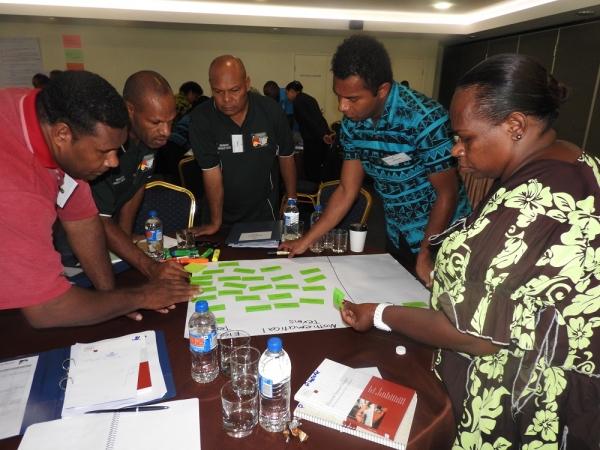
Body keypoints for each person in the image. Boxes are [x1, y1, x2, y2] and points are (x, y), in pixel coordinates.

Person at [341, 54, 600, 448]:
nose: (455, 150)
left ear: (515, 125)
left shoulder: (528, 206)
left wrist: (378, 313)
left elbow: (474, 335)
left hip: (525, 403)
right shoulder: (577, 163)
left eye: (466, 138)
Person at [0, 70, 199, 328]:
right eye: (104, 151)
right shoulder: (16, 187)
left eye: (116, 151)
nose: (113, 162)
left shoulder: (49, 115)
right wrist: (140, 296)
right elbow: (47, 309)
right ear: (62, 135)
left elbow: (83, 219)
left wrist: (112, 300)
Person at [280, 35, 470, 286]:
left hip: (442, 238)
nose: (342, 107)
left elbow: (447, 195)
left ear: (382, 90)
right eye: (338, 95)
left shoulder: (424, 119)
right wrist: (306, 239)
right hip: (396, 230)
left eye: (353, 99)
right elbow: (348, 190)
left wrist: (426, 253)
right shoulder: (352, 126)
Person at [90, 70, 188, 283]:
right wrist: (149, 266)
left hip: (112, 245)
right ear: (129, 109)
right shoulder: (105, 145)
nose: (166, 131)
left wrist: (125, 236)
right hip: (77, 255)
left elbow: (136, 188)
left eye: (171, 121)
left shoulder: (148, 142)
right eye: (156, 122)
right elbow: (99, 221)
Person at [189, 55, 297, 235]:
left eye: (234, 90)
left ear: (247, 84)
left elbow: (286, 156)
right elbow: (211, 172)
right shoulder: (201, 118)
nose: (226, 99)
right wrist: (216, 222)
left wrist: (292, 198)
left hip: (264, 212)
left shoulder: (270, 111)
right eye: (218, 91)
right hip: (219, 215)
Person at [285, 80, 335, 183]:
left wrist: (322, 135)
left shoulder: (297, 102)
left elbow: (308, 120)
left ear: (292, 91)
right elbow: (320, 118)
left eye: (287, 93)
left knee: (310, 167)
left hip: (312, 139)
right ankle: (318, 188)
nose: (287, 96)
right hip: (320, 137)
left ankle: (311, 190)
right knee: (318, 166)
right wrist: (326, 133)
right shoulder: (310, 98)